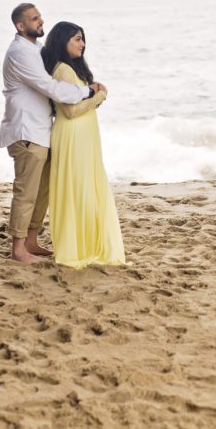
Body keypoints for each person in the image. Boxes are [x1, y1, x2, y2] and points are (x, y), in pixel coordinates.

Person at [0, 3, 105, 264]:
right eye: (34, 19)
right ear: (21, 26)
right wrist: (90, 92)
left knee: (43, 191)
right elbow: (50, 88)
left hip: (42, 132)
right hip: (26, 131)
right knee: (26, 192)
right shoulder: (20, 53)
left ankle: (32, 241)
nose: (40, 21)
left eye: (40, 17)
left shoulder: (35, 51)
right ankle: (18, 250)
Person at [41, 21, 126, 268]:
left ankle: (85, 243)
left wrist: (94, 95)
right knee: (78, 189)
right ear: (63, 41)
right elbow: (70, 111)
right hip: (72, 135)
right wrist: (100, 95)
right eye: (77, 39)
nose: (83, 44)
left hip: (84, 136)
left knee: (87, 188)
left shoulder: (72, 70)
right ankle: (78, 247)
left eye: (83, 38)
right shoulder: (64, 70)